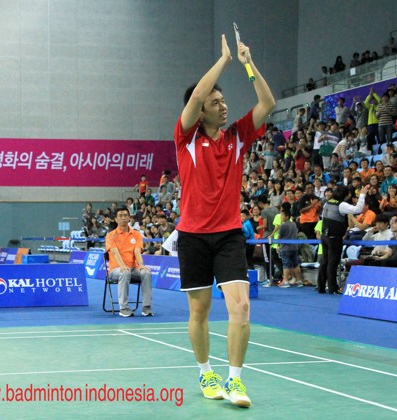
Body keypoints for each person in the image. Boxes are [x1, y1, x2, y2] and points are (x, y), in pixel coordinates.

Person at [174, 34, 275, 407]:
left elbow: (268, 102)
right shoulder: (184, 138)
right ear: (200, 111)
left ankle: (235, 380)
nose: (223, 106)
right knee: (199, 311)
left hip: (230, 234)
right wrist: (224, 60)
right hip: (193, 236)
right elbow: (197, 95)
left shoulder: (238, 136)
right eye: (216, 102)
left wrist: (247, 64)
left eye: (224, 100)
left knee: (241, 307)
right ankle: (206, 372)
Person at [317, 185, 367, 294]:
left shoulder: (327, 202)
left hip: (324, 235)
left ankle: (320, 287)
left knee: (324, 262)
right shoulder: (341, 205)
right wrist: (362, 195)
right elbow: (357, 209)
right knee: (332, 263)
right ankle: (332, 288)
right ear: (346, 195)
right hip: (334, 238)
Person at [105, 206, 153, 318]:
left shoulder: (136, 234)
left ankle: (146, 307)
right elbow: (115, 252)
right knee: (124, 272)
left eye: (125, 215)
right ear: (116, 219)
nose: (123, 218)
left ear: (129, 217)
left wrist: (141, 265)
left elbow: (137, 252)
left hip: (132, 268)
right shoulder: (110, 236)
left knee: (146, 272)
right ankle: (124, 308)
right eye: (120, 216)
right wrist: (122, 266)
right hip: (116, 270)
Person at [277, 208, 304, 288]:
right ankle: (299, 281)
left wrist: (278, 246)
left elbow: (279, 237)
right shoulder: (294, 224)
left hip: (286, 247)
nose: (281, 217)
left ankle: (285, 281)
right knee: (296, 264)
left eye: (282, 215)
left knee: (286, 265)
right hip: (294, 247)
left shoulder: (283, 225)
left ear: (287, 216)